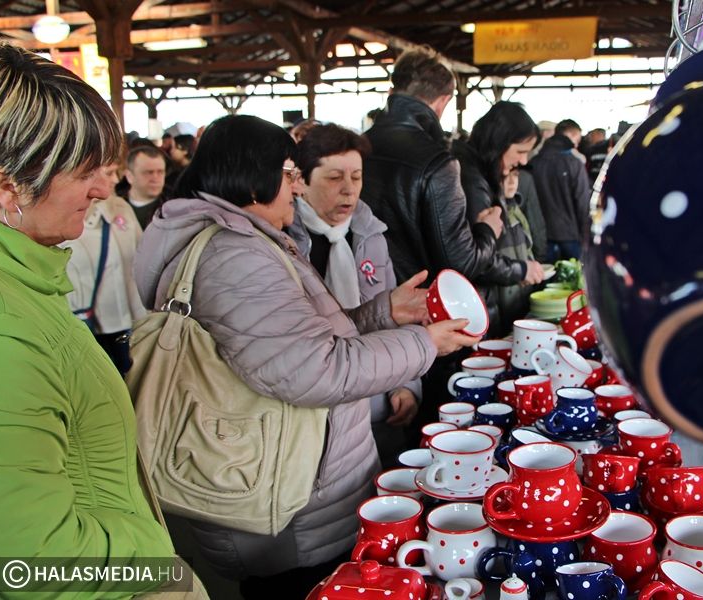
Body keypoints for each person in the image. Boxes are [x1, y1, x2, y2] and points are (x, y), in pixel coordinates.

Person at [134, 114, 478, 599]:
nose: (295, 188)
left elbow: (291, 345)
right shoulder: (236, 256)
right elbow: (315, 369)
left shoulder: (243, 241)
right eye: (290, 173)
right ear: (256, 177)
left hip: (292, 483)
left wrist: (384, 313)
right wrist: (426, 344)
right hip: (286, 500)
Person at [0, 42, 199, 598]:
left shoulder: (24, 282)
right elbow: (27, 562)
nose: (104, 189)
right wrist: (155, 560)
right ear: (7, 187)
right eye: (84, 171)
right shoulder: (3, 329)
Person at [361, 47, 531, 424]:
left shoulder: (362, 147)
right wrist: (489, 228)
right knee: (429, 425)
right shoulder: (436, 161)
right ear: (442, 102)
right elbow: (461, 262)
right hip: (425, 317)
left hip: (361, 306)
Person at [287, 123, 422, 468]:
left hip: (378, 400)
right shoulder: (286, 242)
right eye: (334, 178)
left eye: (357, 177)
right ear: (300, 181)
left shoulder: (370, 235)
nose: (349, 191)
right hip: (315, 413)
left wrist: (405, 385)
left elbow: (397, 312)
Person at [451, 101, 546, 335]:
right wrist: (520, 270)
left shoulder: (478, 172)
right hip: (474, 307)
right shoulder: (472, 182)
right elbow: (476, 258)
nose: (524, 162)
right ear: (499, 143)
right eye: (521, 152)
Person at [62, 155, 146, 375]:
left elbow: (141, 257)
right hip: (81, 325)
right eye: (109, 173)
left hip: (126, 320)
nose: (116, 179)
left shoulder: (120, 208)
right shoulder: (62, 218)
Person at [530, 118, 593, 262]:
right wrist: (586, 235)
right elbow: (582, 201)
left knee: (545, 281)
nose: (576, 145)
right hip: (571, 236)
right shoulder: (574, 163)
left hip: (541, 238)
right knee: (574, 281)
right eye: (576, 140)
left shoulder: (534, 162)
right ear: (569, 135)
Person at [123, 145, 168, 229]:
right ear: (129, 176)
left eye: (160, 172)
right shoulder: (113, 205)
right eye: (149, 172)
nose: (155, 179)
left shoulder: (174, 208)